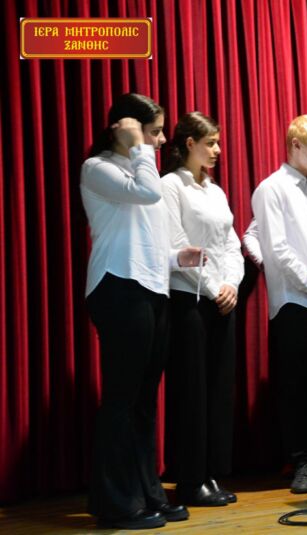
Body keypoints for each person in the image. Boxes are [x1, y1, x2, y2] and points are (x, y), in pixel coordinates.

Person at [80, 93, 202, 529]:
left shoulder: (140, 168)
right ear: (126, 129)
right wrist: (139, 148)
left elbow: (145, 239)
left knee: (145, 402)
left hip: (151, 288)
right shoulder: (98, 168)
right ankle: (116, 504)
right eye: (154, 131)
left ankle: (148, 493)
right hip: (117, 287)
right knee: (122, 399)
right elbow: (148, 193)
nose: (162, 140)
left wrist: (176, 258)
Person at [250, 114, 307, 494]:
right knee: (296, 387)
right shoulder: (271, 189)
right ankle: (302, 460)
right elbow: (278, 252)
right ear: (295, 146)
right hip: (294, 302)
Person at [161, 112, 244, 505]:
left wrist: (232, 285)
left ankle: (210, 473)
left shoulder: (216, 191)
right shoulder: (170, 185)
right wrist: (214, 288)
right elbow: (177, 242)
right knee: (191, 390)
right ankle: (190, 479)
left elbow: (231, 244)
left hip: (221, 298)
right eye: (210, 142)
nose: (217, 150)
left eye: (218, 142)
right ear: (189, 143)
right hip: (189, 299)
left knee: (217, 389)